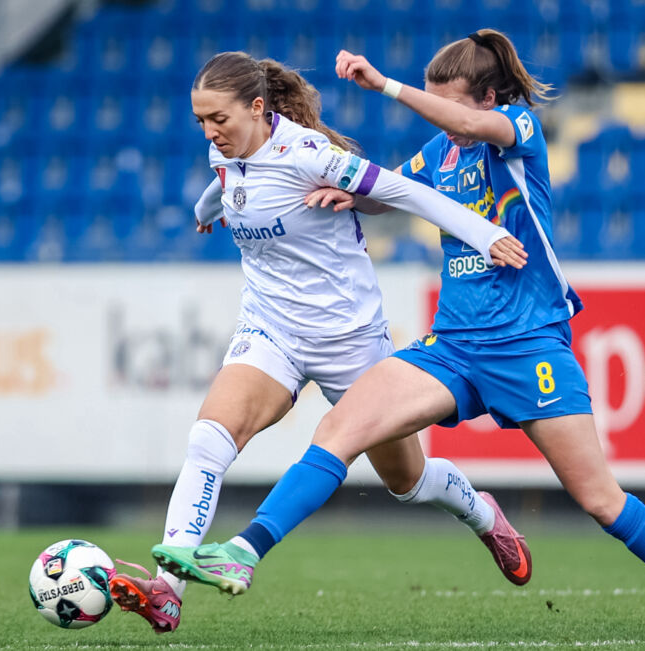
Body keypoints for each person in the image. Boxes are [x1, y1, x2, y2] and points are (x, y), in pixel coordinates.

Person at [152, 31, 645, 645]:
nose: (446, 124)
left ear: (488, 99)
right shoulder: (443, 153)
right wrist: (346, 190)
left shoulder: (518, 131)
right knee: (338, 432)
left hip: (529, 348)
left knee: (601, 500)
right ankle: (244, 551)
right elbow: (394, 189)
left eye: (454, 109)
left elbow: (466, 137)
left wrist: (388, 86)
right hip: (453, 348)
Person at [109, 51, 531, 634]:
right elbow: (222, 183)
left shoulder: (309, 155)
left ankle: (483, 514)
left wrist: (486, 234)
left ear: (257, 108)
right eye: (200, 121)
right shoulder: (223, 150)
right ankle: (168, 590)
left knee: (406, 482)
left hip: (350, 340)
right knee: (209, 438)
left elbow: (408, 194)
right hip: (271, 330)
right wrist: (205, 210)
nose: (209, 133)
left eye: (219, 119)